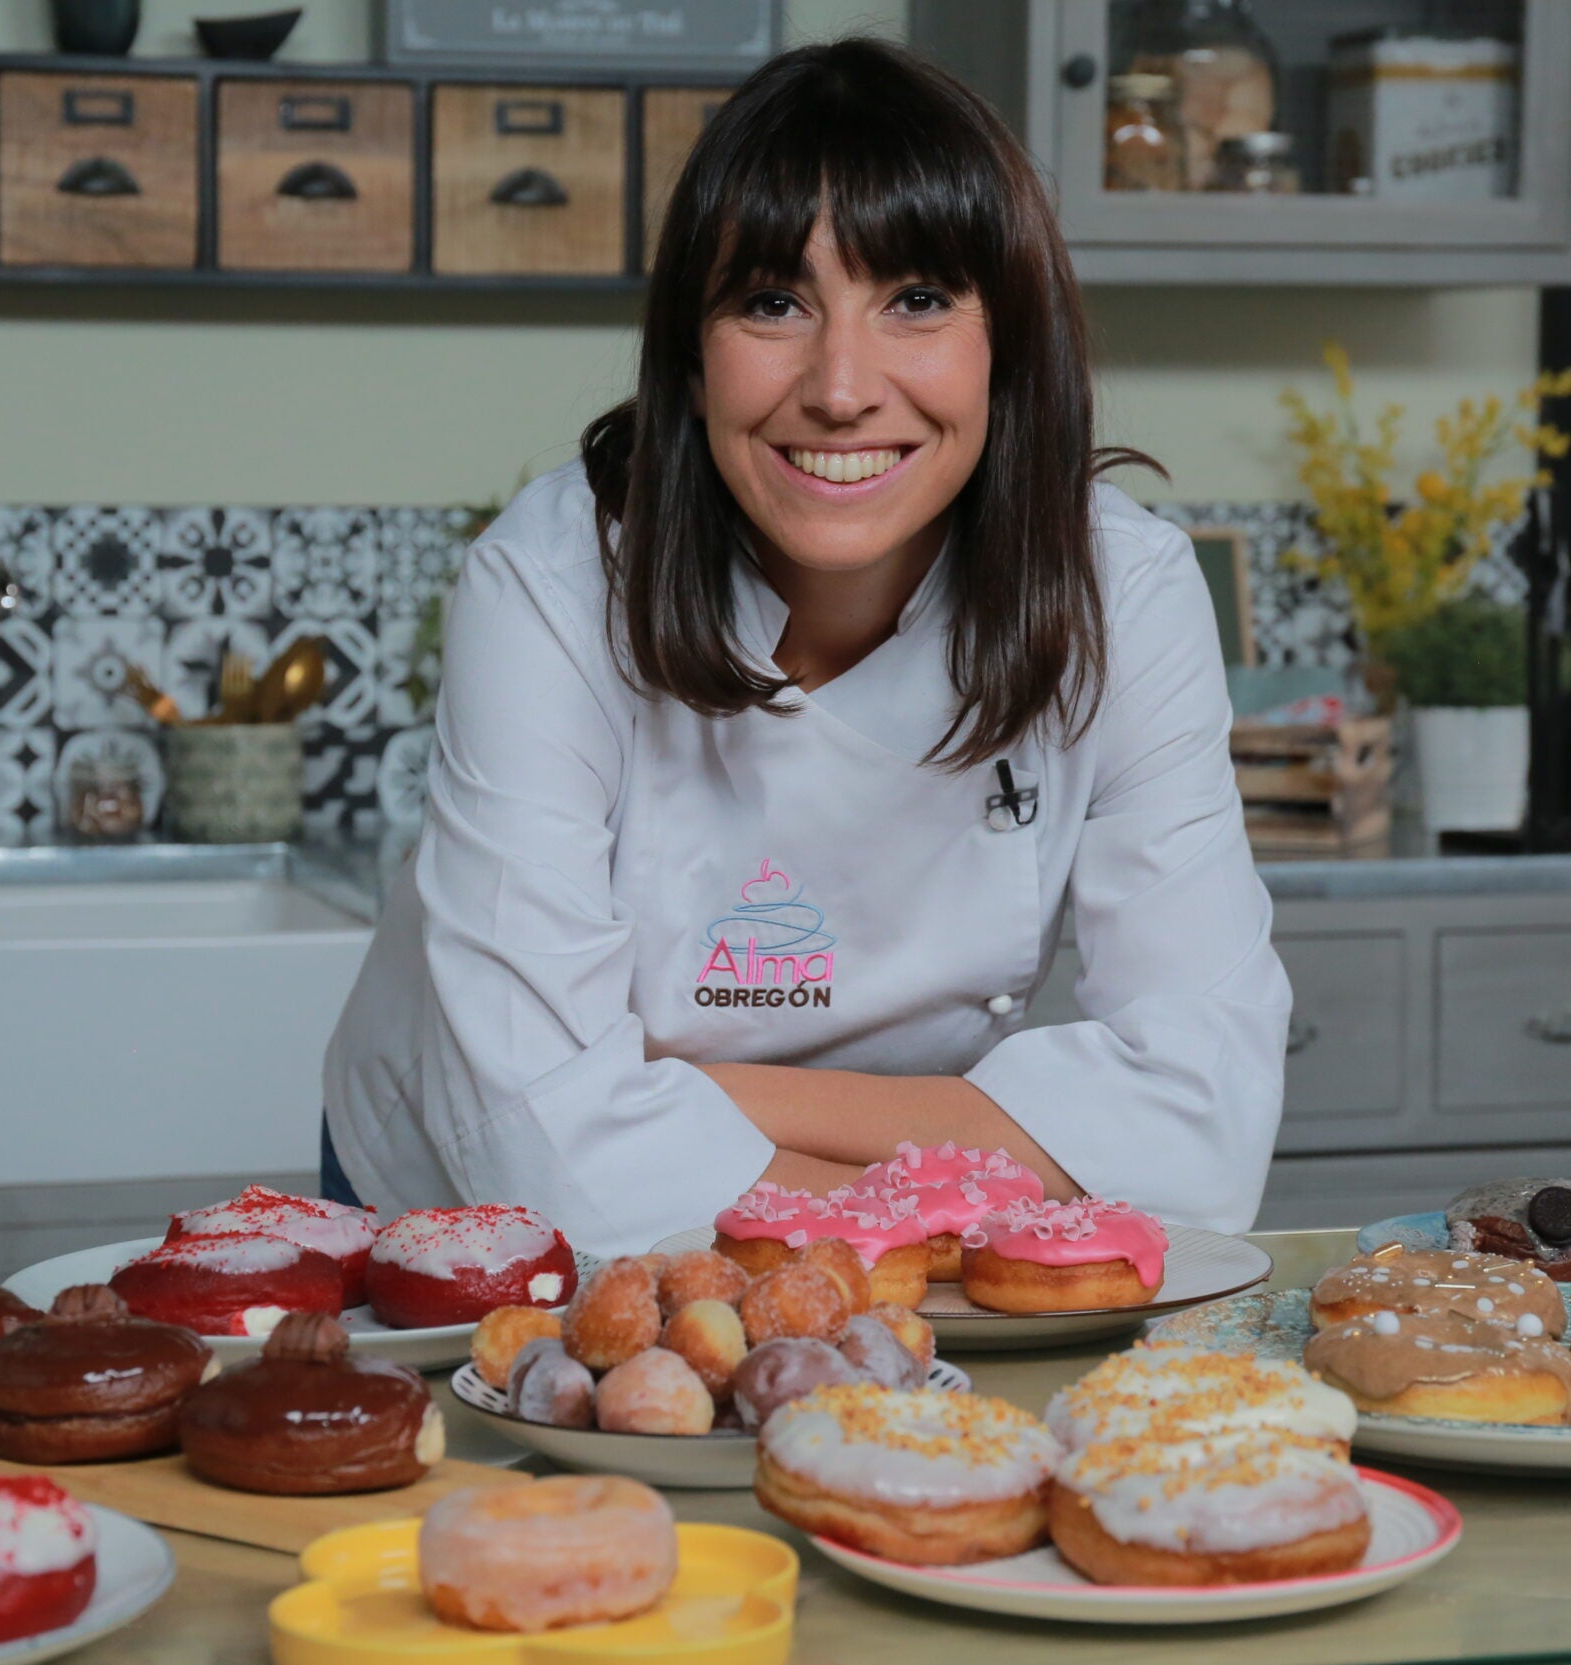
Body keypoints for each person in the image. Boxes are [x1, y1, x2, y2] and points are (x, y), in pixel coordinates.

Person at [321, 38, 1291, 1250]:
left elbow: (1204, 1135)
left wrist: (687, 1097)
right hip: (476, 1218)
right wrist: (974, 1181)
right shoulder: (555, 585)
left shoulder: (1121, 591)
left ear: (1010, 341)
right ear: (691, 347)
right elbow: (552, 1164)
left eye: (918, 301)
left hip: (850, 1208)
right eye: (773, 303)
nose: (840, 387)